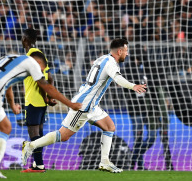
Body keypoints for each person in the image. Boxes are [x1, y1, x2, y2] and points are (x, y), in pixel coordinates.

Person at [22, 38, 147, 173]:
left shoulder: (102, 59)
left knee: (109, 127)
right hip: (84, 105)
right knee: (63, 136)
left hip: (92, 105)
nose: (127, 54)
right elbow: (118, 79)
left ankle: (105, 162)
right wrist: (133, 86)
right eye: (126, 51)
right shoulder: (111, 64)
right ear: (120, 51)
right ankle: (31, 145)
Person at [21, 28, 56, 173]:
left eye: (23, 38)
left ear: (27, 39)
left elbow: (41, 79)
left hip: (35, 99)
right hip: (40, 99)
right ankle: (37, 164)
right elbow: (50, 77)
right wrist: (49, 95)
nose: (22, 40)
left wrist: (46, 96)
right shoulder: (39, 54)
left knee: (34, 132)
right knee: (39, 132)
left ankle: (39, 165)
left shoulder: (31, 55)